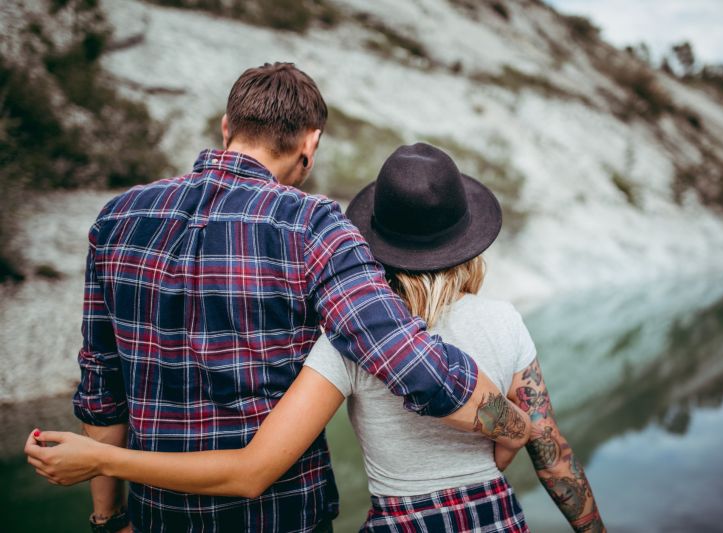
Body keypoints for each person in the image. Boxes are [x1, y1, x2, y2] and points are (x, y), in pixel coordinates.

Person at [26, 62, 532, 532]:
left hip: (158, 512)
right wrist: (512, 425)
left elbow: (102, 387)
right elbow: (405, 357)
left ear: (227, 126)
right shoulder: (312, 224)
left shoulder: (118, 218)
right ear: (310, 144)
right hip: (281, 515)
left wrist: (108, 517)